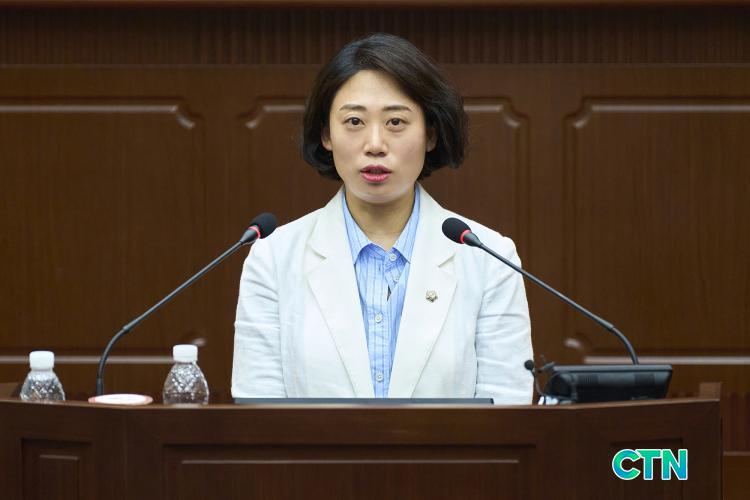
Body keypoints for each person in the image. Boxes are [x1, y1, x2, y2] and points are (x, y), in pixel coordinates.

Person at [231, 33, 533, 404]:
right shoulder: (273, 257)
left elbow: (507, 410)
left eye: (396, 122)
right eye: (354, 121)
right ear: (326, 134)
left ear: (431, 135)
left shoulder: (489, 258)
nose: (375, 144)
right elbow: (259, 412)